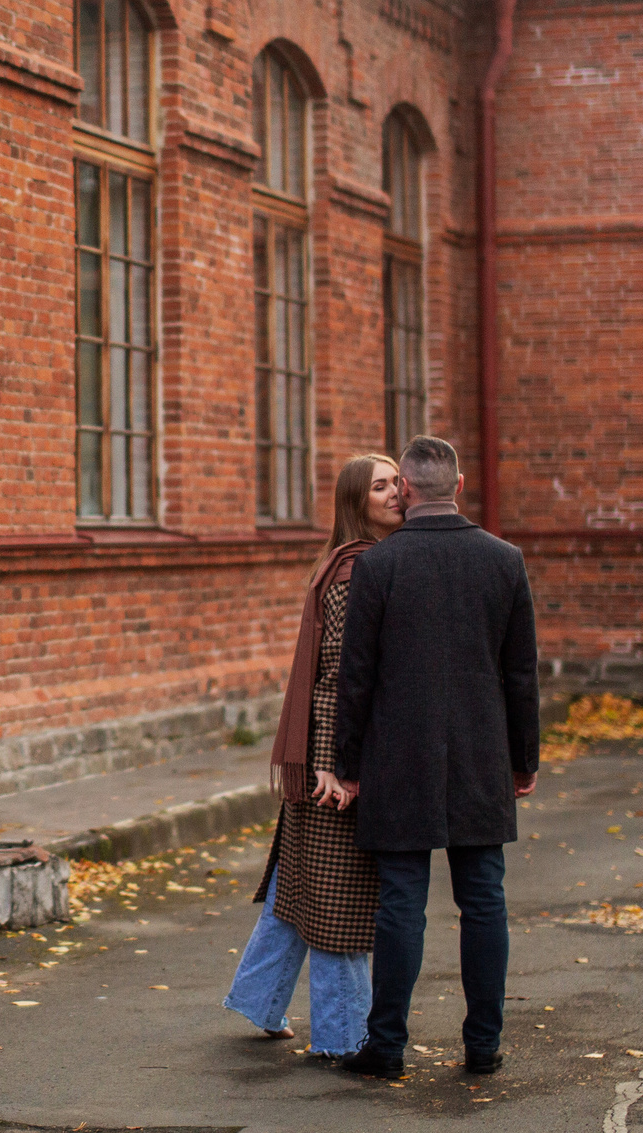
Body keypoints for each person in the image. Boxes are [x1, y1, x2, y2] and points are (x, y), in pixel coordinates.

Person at [331, 435, 539, 1080]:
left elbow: (356, 677)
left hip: (398, 756)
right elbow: (521, 674)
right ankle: (484, 1045)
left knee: (401, 903)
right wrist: (524, 759)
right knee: (484, 900)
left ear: (408, 489)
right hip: (481, 754)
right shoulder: (504, 560)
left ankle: (386, 1047)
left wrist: (347, 764)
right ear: (460, 485)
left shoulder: (379, 566)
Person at [222, 454, 403, 1064]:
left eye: (397, 483)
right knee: (337, 898)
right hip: (333, 763)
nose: (395, 493)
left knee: (297, 886)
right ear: (357, 501)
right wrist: (334, 765)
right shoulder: (358, 570)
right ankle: (343, 1036)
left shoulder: (345, 561)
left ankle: (258, 1001)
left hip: (320, 756)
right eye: (380, 486)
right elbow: (338, 678)